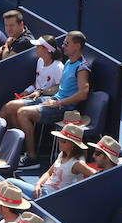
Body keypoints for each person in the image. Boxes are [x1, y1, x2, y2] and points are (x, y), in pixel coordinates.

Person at [14, 31, 91, 167]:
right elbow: (59, 87)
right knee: (12, 106)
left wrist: (59, 103)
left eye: (67, 43)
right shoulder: (68, 63)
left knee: (23, 113)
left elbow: (83, 93)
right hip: (53, 100)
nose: (63, 45)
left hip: (64, 108)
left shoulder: (82, 67)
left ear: (77, 46)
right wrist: (40, 91)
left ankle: (32, 157)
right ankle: (15, 147)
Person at [8, 123, 94, 198]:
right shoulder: (63, 154)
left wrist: (75, 188)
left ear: (74, 144)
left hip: (50, 197)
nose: (59, 142)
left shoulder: (78, 163)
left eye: (63, 141)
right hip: (43, 190)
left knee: (9, 182)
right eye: (59, 139)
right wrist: (38, 184)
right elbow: (49, 173)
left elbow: (96, 175)